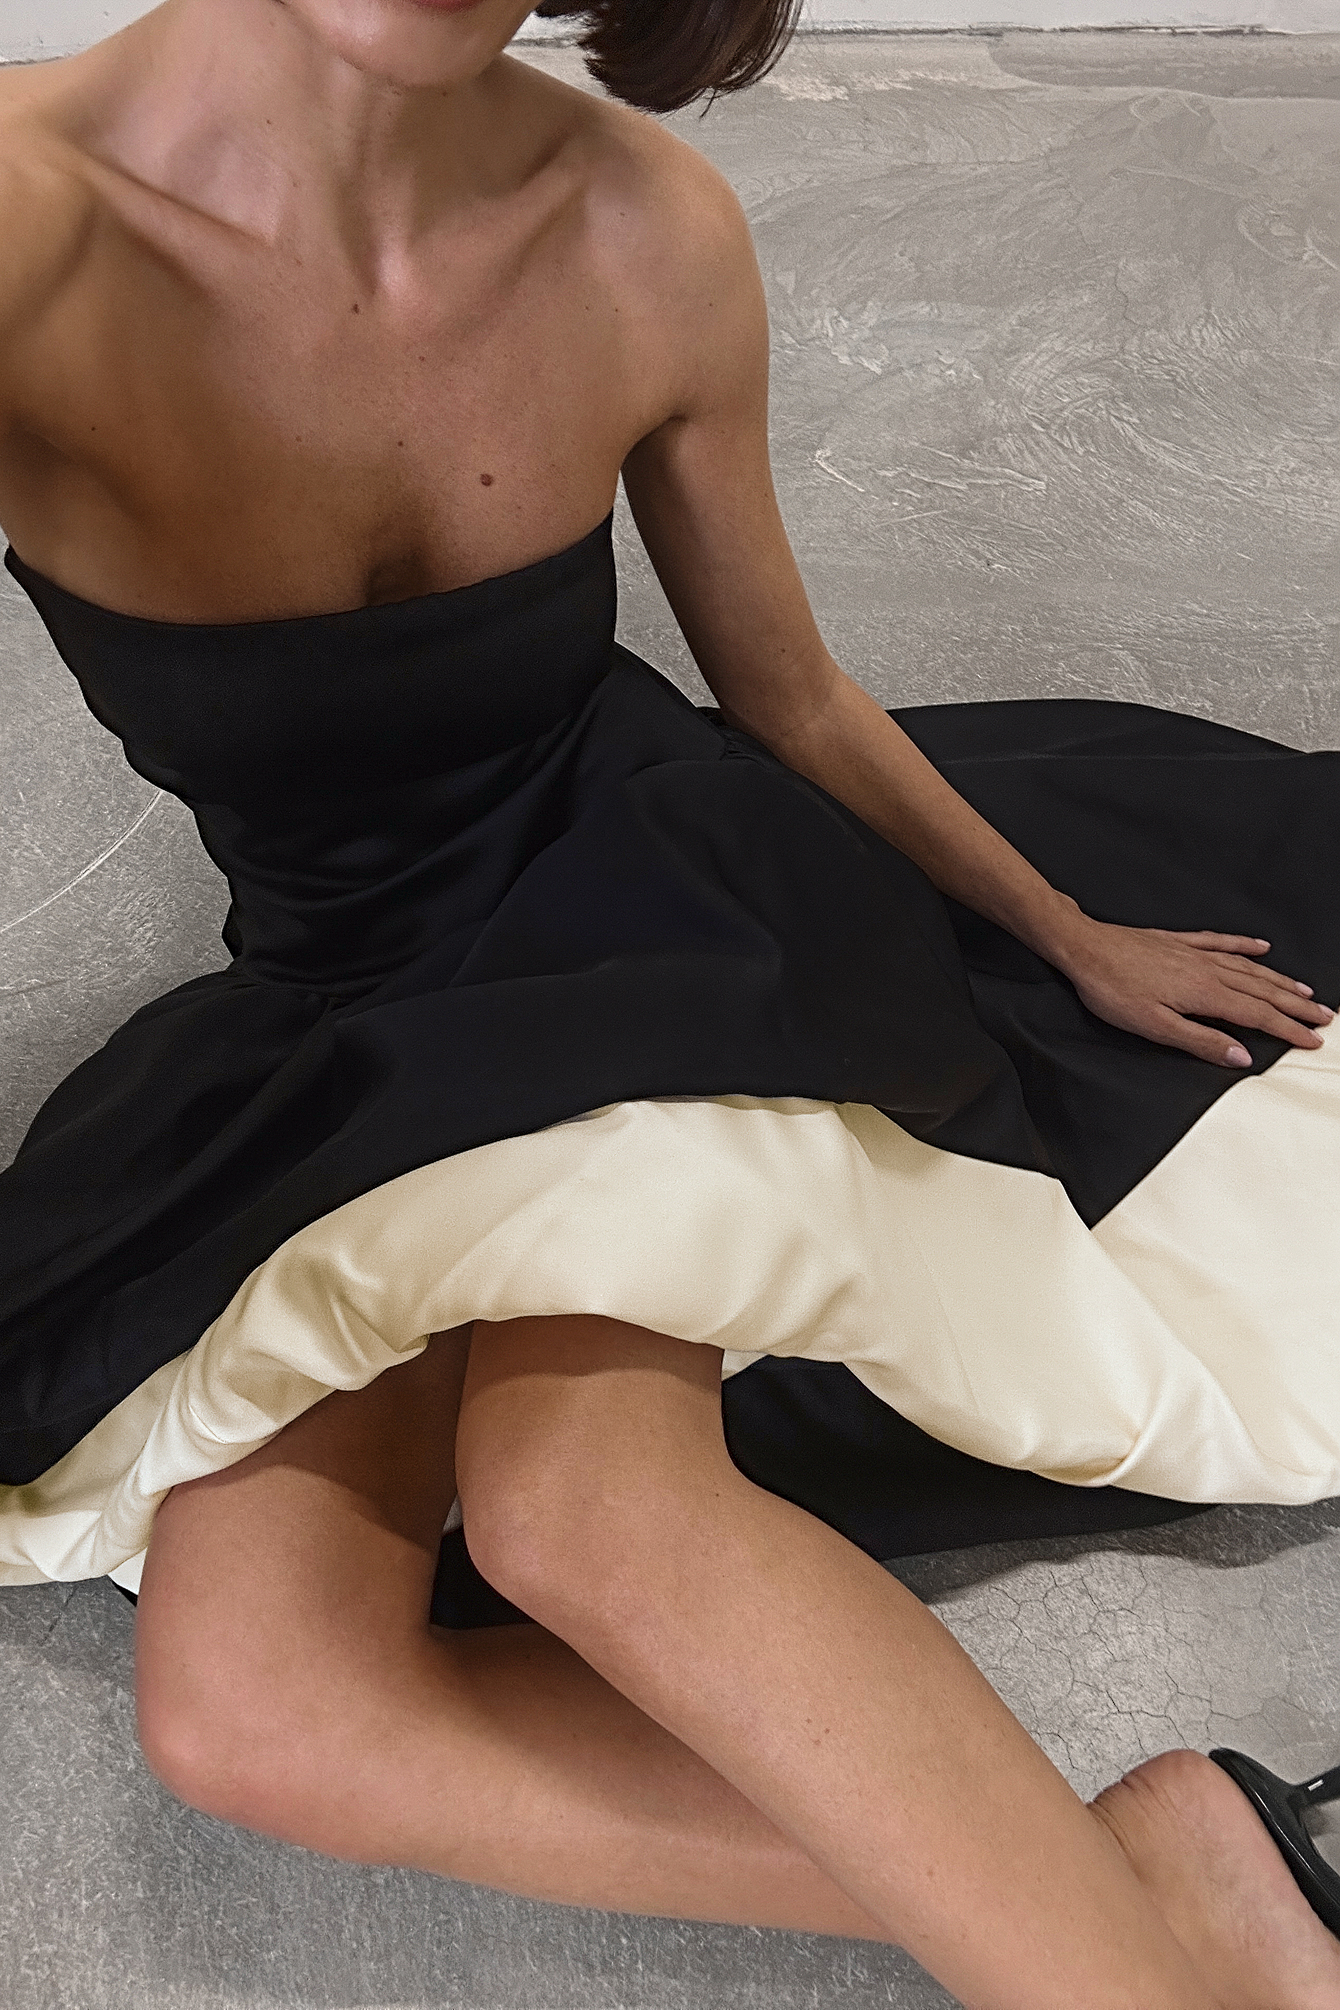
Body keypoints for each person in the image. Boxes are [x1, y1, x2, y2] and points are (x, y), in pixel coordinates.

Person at [0, 3, 1337, 2006]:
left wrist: (1063, 927)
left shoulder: (644, 225)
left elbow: (787, 694)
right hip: (352, 1001)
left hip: (661, 907)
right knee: (253, 1710)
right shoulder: (27, 220)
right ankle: (1158, 1879)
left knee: (586, 1513)